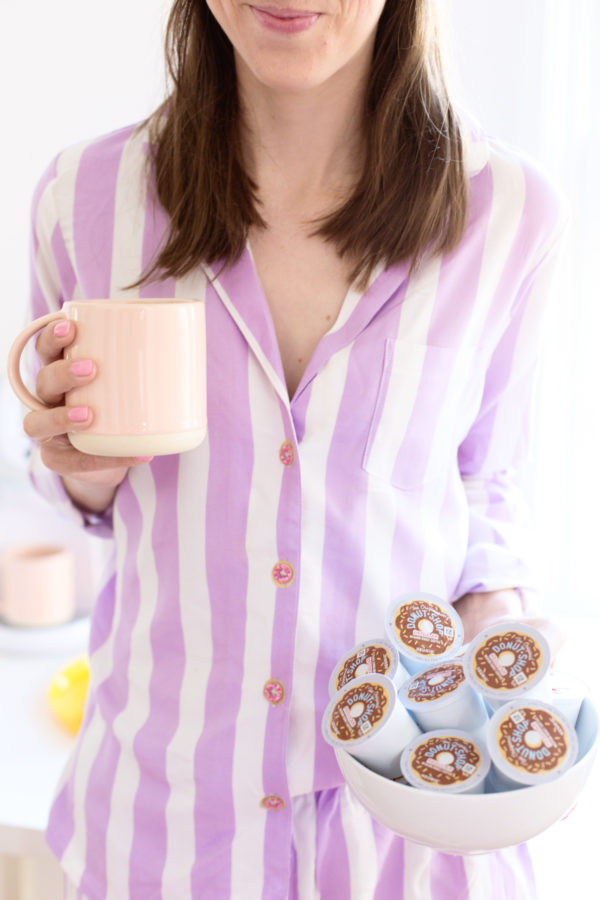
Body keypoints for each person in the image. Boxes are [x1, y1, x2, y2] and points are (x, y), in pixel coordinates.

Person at [22, 1, 566, 897]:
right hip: (159, 837)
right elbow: (86, 499)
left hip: (408, 840)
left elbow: (488, 473)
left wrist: (495, 603)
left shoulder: (509, 215)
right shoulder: (82, 199)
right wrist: (79, 472)